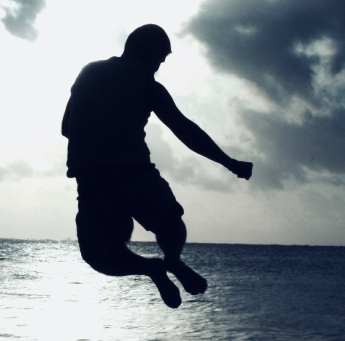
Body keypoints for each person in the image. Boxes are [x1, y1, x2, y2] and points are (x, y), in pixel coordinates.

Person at [61, 24, 253, 308]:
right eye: (160, 58)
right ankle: (172, 259)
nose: (159, 65)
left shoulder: (91, 72)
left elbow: (66, 127)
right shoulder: (149, 86)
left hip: (94, 180)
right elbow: (186, 131)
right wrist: (229, 162)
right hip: (134, 173)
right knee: (171, 225)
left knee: (100, 255)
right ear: (146, 52)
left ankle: (150, 268)